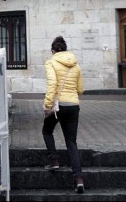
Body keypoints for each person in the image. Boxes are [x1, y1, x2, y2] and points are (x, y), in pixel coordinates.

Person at [42, 36, 85, 194]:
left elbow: (52, 84)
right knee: (71, 141)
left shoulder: (51, 62)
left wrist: (47, 105)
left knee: (47, 131)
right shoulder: (76, 65)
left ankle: (53, 160)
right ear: (65, 49)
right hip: (73, 105)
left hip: (58, 105)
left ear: (53, 51)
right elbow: (80, 89)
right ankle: (79, 178)